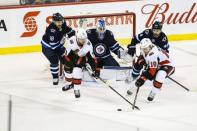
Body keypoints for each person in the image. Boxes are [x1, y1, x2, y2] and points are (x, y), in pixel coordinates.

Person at [62, 28, 99, 98]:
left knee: (77, 73)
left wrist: (95, 69)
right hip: (70, 59)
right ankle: (69, 84)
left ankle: (77, 89)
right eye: (81, 39)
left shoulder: (88, 44)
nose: (82, 41)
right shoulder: (71, 41)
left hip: (81, 59)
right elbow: (66, 54)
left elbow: (92, 58)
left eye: (84, 39)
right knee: (67, 73)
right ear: (76, 38)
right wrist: (69, 62)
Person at [41, 12, 75, 85]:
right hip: (48, 48)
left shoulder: (63, 24)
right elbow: (54, 47)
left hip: (58, 45)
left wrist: (74, 36)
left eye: (60, 21)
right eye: (57, 22)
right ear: (53, 22)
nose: (59, 23)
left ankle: (68, 75)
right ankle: (55, 77)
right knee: (54, 60)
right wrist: (63, 53)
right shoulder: (51, 30)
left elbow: (69, 31)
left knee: (66, 60)